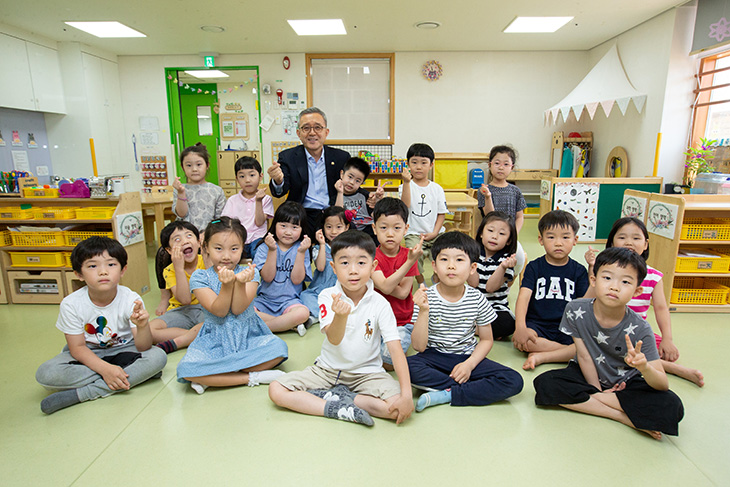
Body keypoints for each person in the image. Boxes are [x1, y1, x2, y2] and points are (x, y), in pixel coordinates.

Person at [533, 247, 684, 439]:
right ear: (594, 280)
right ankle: (622, 417)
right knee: (545, 383)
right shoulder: (575, 310)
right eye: (607, 278)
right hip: (587, 375)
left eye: (625, 282)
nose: (615, 287)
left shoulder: (641, 328)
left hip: (627, 382)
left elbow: (662, 384)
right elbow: (584, 356)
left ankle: (597, 401)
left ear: (637, 291)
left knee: (673, 406)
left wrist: (644, 367)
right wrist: (598, 390)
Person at [268, 230, 414, 426]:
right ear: (333, 267)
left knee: (398, 408)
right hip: (328, 371)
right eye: (344, 263)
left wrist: (406, 396)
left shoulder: (380, 303)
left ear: (373, 266)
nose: (353, 270)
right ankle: (332, 408)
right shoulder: (328, 296)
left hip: (368, 374)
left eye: (361, 263)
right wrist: (341, 316)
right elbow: (334, 339)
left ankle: (349, 400)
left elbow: (396, 350)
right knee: (276, 389)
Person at [35, 237, 167, 414]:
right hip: (87, 354)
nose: (103, 272)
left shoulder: (130, 298)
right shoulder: (71, 304)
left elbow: (143, 346)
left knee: (158, 356)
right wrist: (106, 370)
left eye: (111, 265)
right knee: (46, 374)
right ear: (79, 274)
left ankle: (83, 393)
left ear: (123, 270)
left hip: (124, 349)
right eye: (92, 266)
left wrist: (143, 326)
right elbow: (77, 348)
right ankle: (135, 376)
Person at [407, 231, 523, 412]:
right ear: (434, 266)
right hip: (434, 356)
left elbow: (486, 340)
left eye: (459, 260)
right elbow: (419, 346)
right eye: (444, 260)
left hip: (467, 357)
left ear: (472, 268)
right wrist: (423, 311)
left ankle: (448, 393)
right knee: (408, 367)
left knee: (513, 380)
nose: (451, 266)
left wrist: (469, 365)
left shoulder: (477, 298)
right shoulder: (425, 297)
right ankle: (465, 389)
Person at [585, 217, 704, 386]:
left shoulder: (654, 276)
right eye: (622, 237)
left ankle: (653, 364)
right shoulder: (604, 272)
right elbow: (587, 302)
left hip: (635, 332)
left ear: (646, 244)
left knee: (655, 349)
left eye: (636, 238)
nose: (629, 243)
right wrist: (592, 267)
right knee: (599, 347)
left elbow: (661, 309)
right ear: (611, 243)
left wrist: (667, 339)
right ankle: (674, 369)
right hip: (605, 330)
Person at [176, 217, 288, 394]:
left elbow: (238, 309)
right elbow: (219, 312)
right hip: (215, 340)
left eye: (234, 249)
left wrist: (240, 283)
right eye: (218, 248)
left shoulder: (250, 273)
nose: (226, 256)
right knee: (186, 369)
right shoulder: (200, 277)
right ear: (205, 248)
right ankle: (251, 377)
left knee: (279, 349)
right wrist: (227, 285)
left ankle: (216, 377)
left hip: (249, 335)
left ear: (243, 248)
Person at [513, 210, 589, 370]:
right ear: (541, 239)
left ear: (575, 240)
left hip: (567, 326)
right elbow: (523, 298)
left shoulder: (579, 271)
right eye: (551, 237)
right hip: (537, 324)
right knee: (522, 341)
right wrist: (520, 327)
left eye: (565, 237)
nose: (558, 243)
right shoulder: (534, 267)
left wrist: (594, 271)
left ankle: (544, 356)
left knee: (588, 343)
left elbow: (585, 304)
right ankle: (567, 353)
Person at [267, 107, 351, 238]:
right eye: (306, 128)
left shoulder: (341, 157)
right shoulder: (288, 157)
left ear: (326, 132)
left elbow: (351, 188)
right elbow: (280, 192)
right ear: (298, 133)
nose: (312, 133)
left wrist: (369, 198)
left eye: (318, 127)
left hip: (332, 214)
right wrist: (278, 181)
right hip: (301, 215)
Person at [370, 197, 422, 370]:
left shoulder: (409, 254)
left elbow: (402, 293)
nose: (390, 233)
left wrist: (382, 282)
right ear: (374, 228)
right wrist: (409, 263)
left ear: (406, 229)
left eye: (397, 228)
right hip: (375, 320)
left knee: (388, 363)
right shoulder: (371, 257)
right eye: (383, 228)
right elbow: (385, 287)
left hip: (401, 320)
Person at [253, 201, 312, 336]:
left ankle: (264, 327)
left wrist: (302, 252)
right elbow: (267, 277)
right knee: (243, 311)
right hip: (264, 302)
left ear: (302, 229)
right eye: (283, 226)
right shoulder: (264, 247)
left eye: (294, 227)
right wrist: (272, 250)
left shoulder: (301, 248)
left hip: (289, 302)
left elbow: (297, 280)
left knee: (303, 313)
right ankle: (286, 325)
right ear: (275, 225)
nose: (288, 232)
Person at [149, 221, 205, 354]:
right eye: (177, 239)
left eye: (189, 236)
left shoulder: (207, 261)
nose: (184, 241)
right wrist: (179, 268)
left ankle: (184, 339)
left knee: (220, 323)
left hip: (204, 308)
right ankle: (195, 336)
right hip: (181, 311)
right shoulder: (170, 270)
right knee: (148, 331)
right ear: (169, 250)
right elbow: (184, 300)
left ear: (198, 242)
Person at [399, 143, 447, 285]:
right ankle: (421, 282)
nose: (418, 167)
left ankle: (437, 277)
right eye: (414, 162)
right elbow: (405, 205)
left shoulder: (437, 189)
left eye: (423, 163)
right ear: (408, 164)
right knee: (412, 254)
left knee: (445, 251)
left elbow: (441, 214)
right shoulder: (404, 186)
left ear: (431, 165)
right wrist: (406, 183)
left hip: (435, 232)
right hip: (413, 233)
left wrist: (434, 232)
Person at [477, 145, 528, 277]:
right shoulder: (484, 190)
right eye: (497, 163)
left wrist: (512, 234)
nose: (501, 167)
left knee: (520, 257)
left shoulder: (515, 191)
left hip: (509, 236)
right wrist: (488, 196)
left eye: (506, 164)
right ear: (490, 165)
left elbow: (520, 217)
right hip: (491, 235)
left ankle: (508, 283)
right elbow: (490, 216)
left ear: (512, 167)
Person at [467, 211, 518, 339]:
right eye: (490, 230)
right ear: (481, 233)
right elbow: (473, 283)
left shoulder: (507, 261)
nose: (494, 236)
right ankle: (484, 330)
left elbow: (490, 288)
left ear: (508, 241)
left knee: (508, 324)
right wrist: (470, 260)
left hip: (495, 308)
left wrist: (502, 267)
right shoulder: (474, 255)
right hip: (472, 306)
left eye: (501, 234)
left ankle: (471, 329)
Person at [301, 206, 350, 323]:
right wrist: (322, 244)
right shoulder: (318, 248)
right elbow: (320, 267)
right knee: (305, 297)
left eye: (338, 227)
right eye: (329, 227)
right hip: (319, 291)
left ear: (347, 227)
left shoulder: (350, 248)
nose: (333, 231)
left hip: (341, 291)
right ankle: (323, 316)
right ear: (322, 227)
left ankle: (316, 317)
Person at [221, 155, 274, 258]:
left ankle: (258, 274)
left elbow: (259, 223)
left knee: (261, 254)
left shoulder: (266, 199)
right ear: (237, 179)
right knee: (228, 256)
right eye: (242, 176)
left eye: (252, 175)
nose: (247, 180)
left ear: (260, 176)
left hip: (258, 239)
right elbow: (226, 222)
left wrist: (258, 201)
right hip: (237, 239)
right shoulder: (232, 200)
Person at [172, 143, 226, 234]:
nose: (194, 169)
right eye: (189, 165)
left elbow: (220, 220)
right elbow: (181, 214)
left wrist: (208, 231)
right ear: (182, 167)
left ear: (207, 165)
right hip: (185, 235)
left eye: (199, 164)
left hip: (209, 235)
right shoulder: (180, 189)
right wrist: (181, 193)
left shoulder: (216, 191)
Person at [334, 156, 384, 242]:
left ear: (362, 183)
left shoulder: (364, 195)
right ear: (342, 174)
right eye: (350, 177)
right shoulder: (335, 195)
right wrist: (340, 193)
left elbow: (376, 215)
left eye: (357, 181)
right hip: (347, 232)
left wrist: (378, 200)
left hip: (367, 232)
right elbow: (337, 215)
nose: (352, 182)